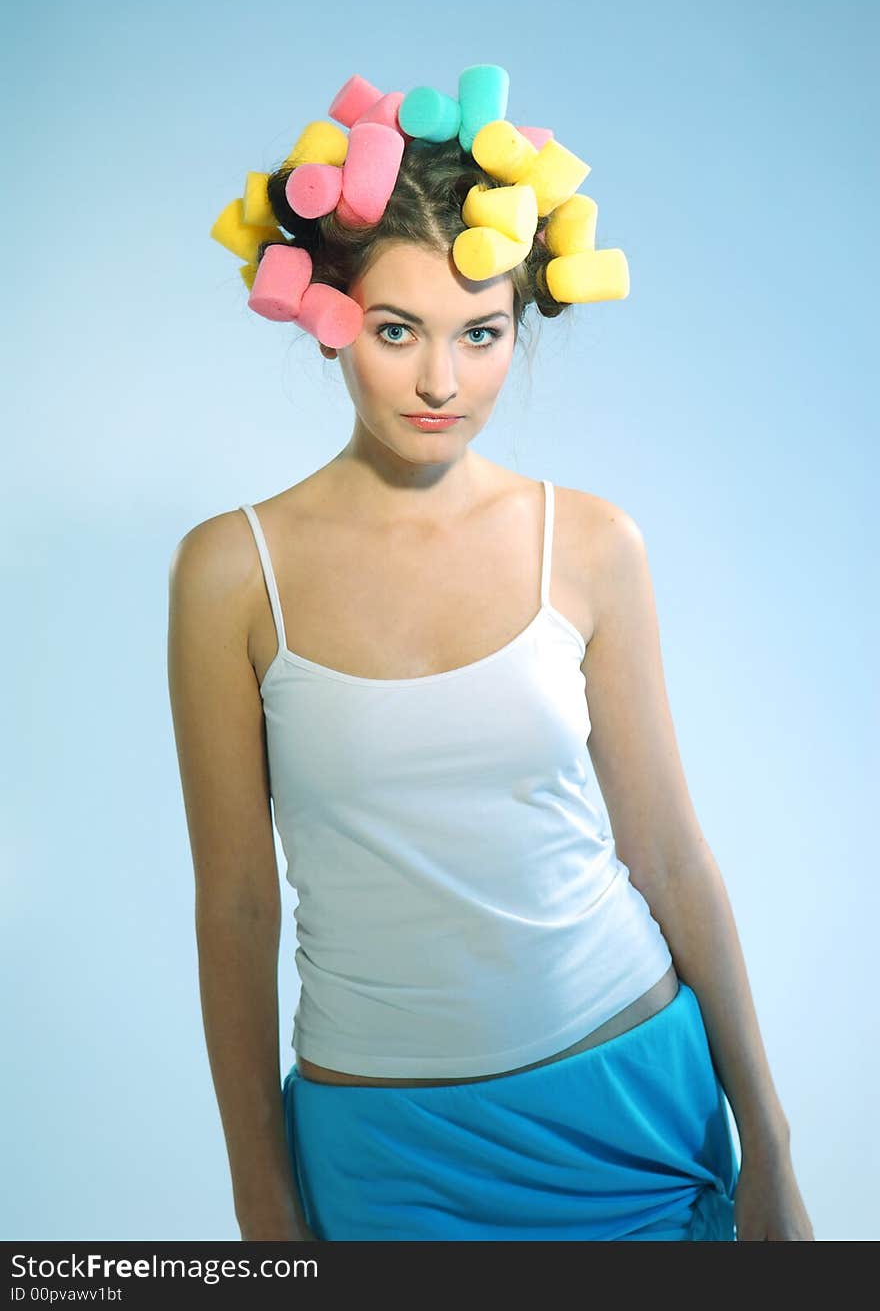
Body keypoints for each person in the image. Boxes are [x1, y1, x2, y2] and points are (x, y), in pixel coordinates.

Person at [167, 67, 815, 1241]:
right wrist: (260, 1202)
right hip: (385, 1149)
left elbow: (668, 854)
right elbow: (236, 904)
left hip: (630, 1103)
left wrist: (768, 1141)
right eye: (396, 329)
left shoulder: (592, 544)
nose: (439, 381)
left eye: (482, 333)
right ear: (326, 319)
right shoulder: (229, 573)